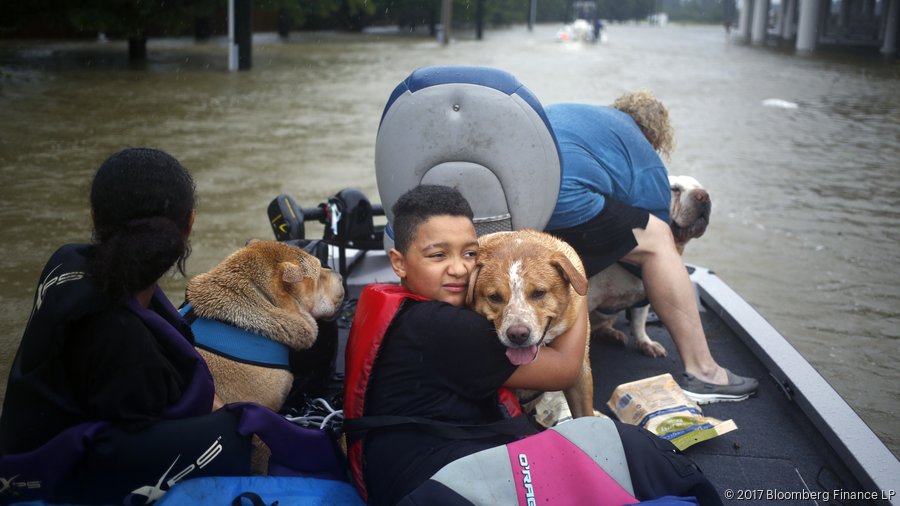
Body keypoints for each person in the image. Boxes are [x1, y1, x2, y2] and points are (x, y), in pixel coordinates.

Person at [0, 148, 344, 504]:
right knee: (240, 428)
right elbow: (138, 436)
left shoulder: (64, 263)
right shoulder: (129, 348)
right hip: (53, 474)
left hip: (23, 439)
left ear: (94, 216)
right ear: (189, 224)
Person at [345, 184, 722, 506]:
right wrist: (573, 287)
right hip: (435, 485)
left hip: (399, 469)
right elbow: (566, 370)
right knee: (634, 449)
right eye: (438, 255)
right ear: (399, 261)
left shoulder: (405, 309)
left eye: (470, 253)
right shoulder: (449, 330)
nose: (461, 269)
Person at [543, 91, 758, 403]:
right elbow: (654, 241)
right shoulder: (643, 153)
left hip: (523, 192)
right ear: (655, 135)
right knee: (657, 240)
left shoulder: (585, 119)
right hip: (566, 199)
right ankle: (704, 372)